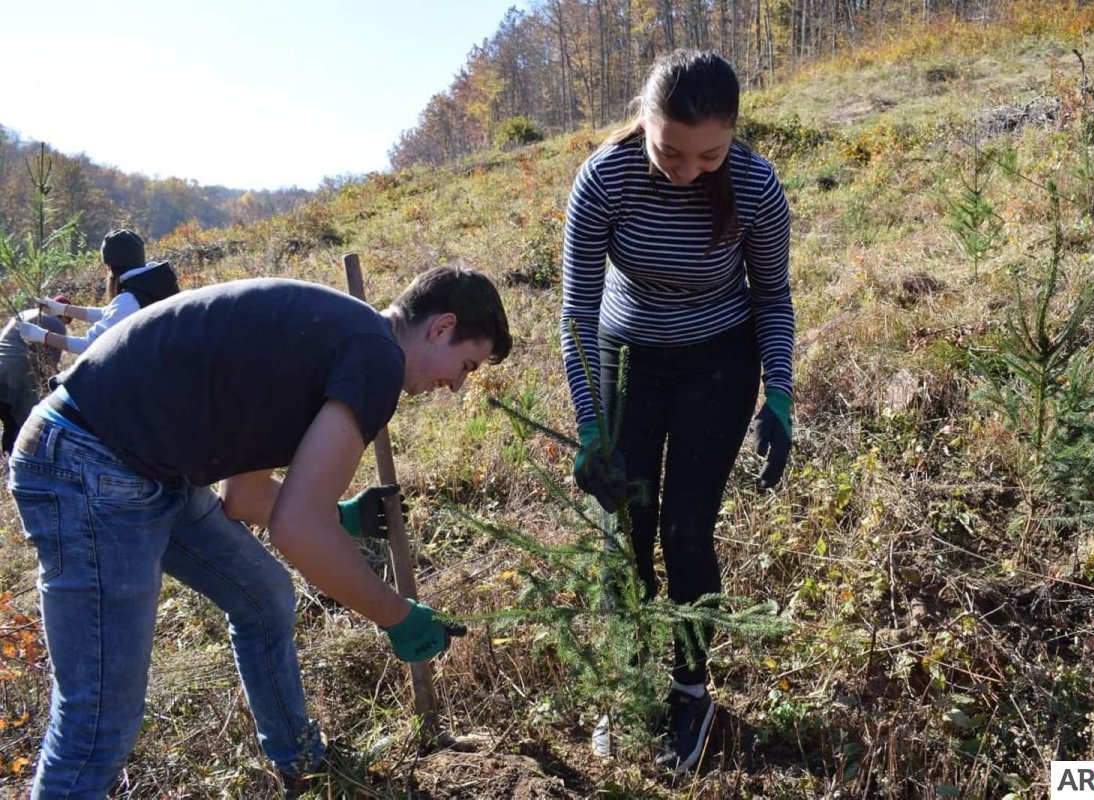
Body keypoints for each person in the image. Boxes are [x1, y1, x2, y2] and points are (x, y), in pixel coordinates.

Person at [8, 265, 512, 798]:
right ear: (441, 327)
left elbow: (241, 499)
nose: (456, 385)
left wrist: (337, 515)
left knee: (264, 595)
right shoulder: (375, 357)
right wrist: (398, 615)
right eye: (466, 365)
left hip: (147, 468)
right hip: (89, 464)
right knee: (98, 722)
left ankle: (302, 763)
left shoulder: (335, 338)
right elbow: (297, 529)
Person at [560, 49, 795, 773]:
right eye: (671, 151)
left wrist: (779, 394)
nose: (688, 169)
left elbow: (773, 298)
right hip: (625, 356)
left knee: (685, 529)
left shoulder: (755, 185)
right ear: (644, 121)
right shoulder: (606, 177)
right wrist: (591, 424)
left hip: (717, 363)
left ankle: (690, 688)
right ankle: (627, 683)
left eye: (709, 155)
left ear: (732, 136)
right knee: (623, 527)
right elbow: (574, 308)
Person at [17, 228, 179, 353]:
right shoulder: (152, 285)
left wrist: (41, 336)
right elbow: (111, 313)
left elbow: (90, 346)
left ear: (110, 266)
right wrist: (63, 309)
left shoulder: (129, 299)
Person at [0, 297, 71, 454]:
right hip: (16, 379)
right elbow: (50, 368)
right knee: (24, 424)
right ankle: (16, 465)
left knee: (9, 423)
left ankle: (7, 462)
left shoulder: (24, 314)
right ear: (64, 315)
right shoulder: (57, 325)